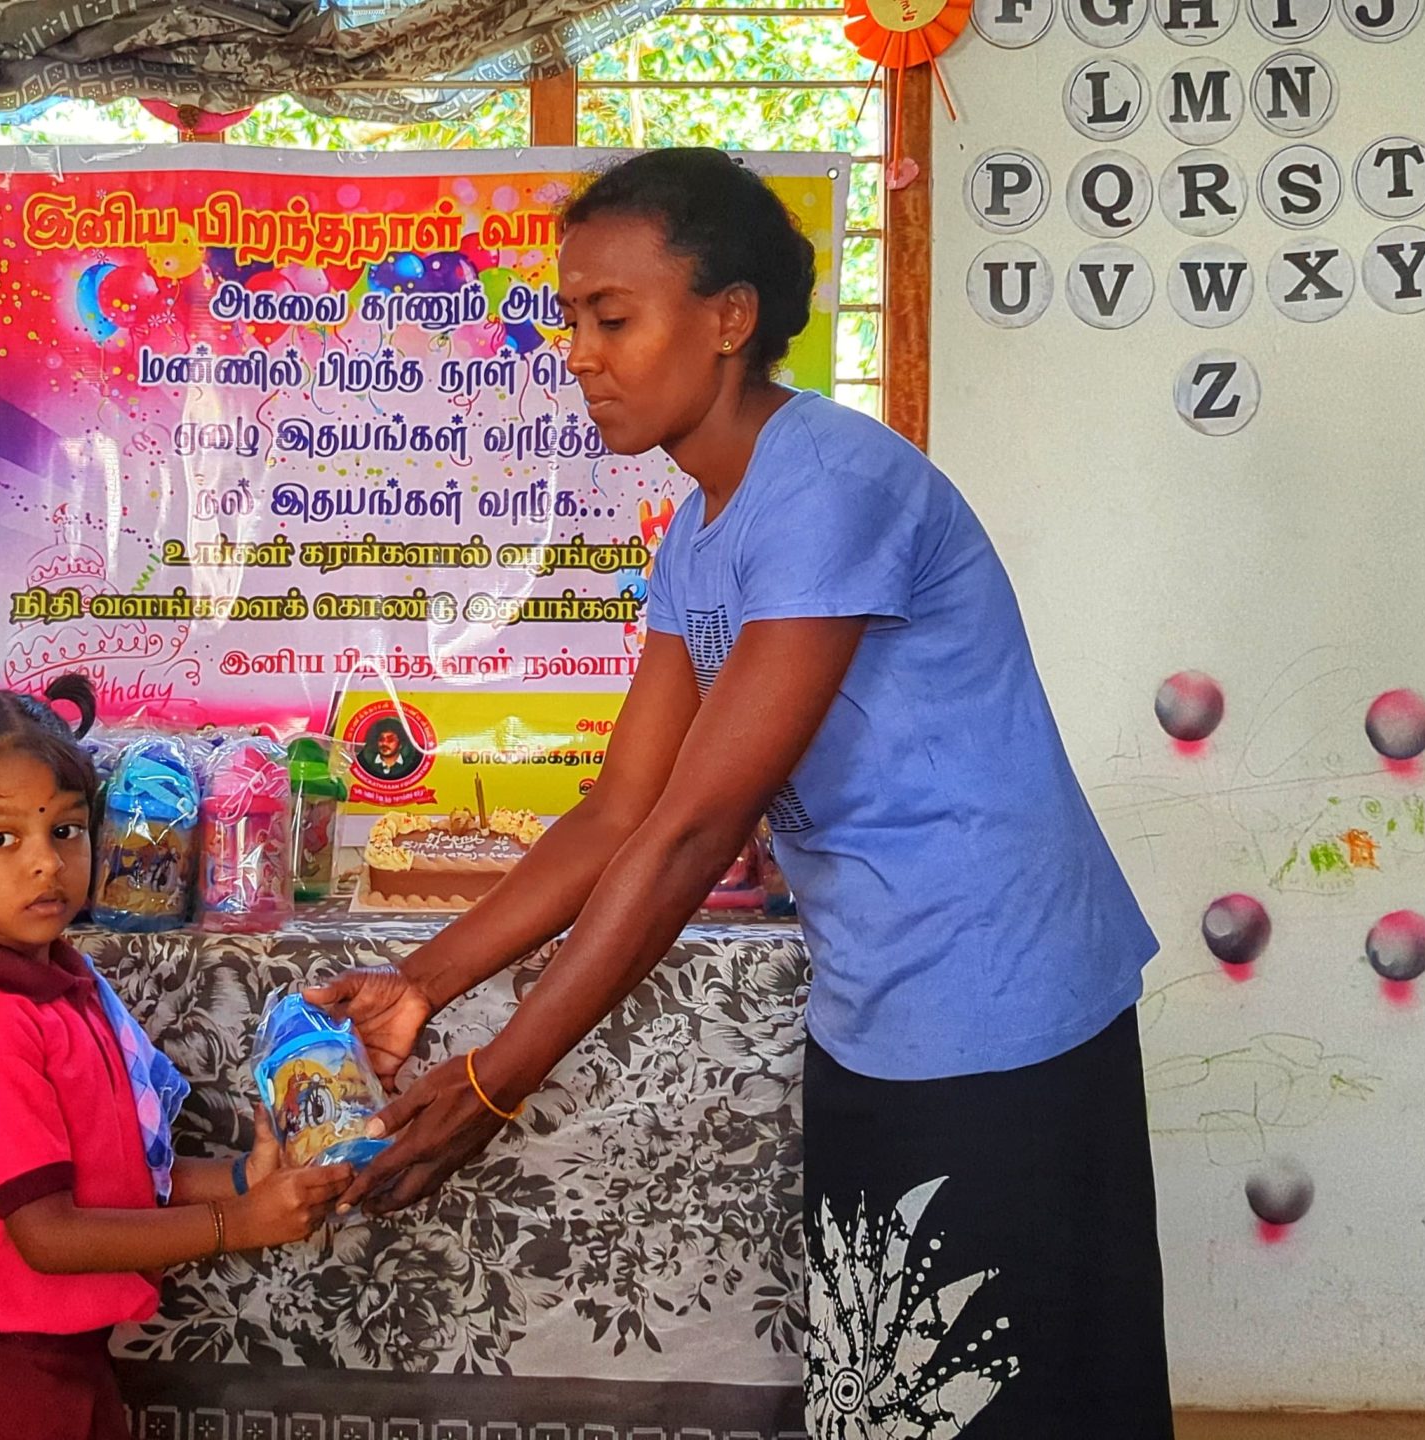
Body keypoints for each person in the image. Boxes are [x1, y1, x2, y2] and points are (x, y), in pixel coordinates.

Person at [311, 147, 1173, 1437]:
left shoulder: (828, 486)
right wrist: (423, 984)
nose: (579, 355)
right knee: (890, 1376)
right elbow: (620, 809)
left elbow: (696, 826)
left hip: (1002, 996)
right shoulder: (703, 526)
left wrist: (496, 1082)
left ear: (727, 318)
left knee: (999, 1390)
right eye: (569, 320)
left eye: (612, 318)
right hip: (877, 1000)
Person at [0, 671, 352, 1440]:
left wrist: (240, 1178)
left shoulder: (61, 989)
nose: (45, 863)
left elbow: (113, 1176)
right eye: (0, 839)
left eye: (66, 830)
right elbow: (49, 1233)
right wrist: (236, 1222)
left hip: (65, 1361)